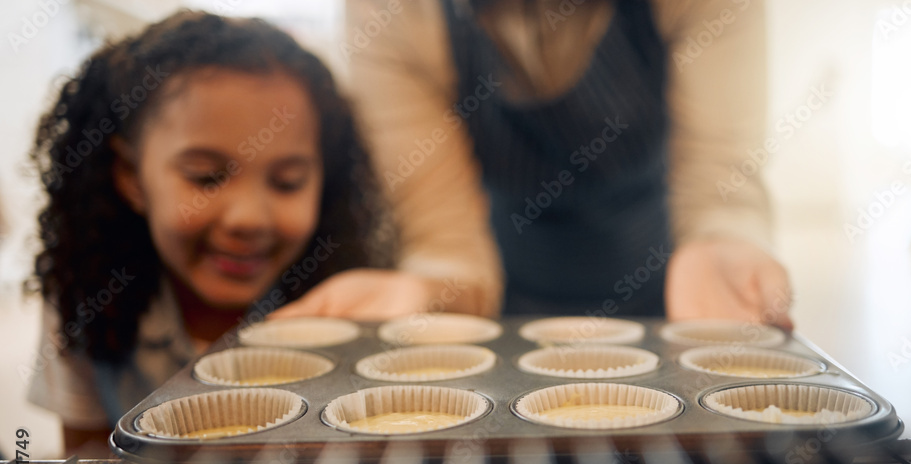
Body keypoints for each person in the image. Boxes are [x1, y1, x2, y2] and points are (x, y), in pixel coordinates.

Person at [24, 11, 423, 456]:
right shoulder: (85, 298)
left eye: (287, 182)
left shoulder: (349, 304)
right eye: (206, 177)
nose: (248, 219)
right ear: (132, 176)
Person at [312, 0, 793, 325]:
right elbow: (446, 241)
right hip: (506, 289)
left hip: (667, 283)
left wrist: (724, 243)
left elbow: (718, 181)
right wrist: (426, 292)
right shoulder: (391, 13)